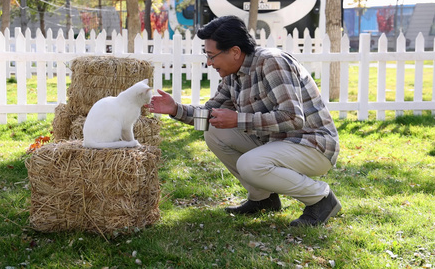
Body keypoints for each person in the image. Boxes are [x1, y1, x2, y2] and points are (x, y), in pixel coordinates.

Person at [146, 15, 341, 227]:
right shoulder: (233, 74)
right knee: (213, 131)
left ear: (235, 52)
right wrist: (174, 108)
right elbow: (210, 113)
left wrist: (239, 119)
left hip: (312, 145)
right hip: (277, 142)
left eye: (212, 56)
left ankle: (321, 199)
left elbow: (293, 117)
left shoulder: (271, 62)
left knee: (250, 165)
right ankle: (263, 199)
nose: (209, 63)